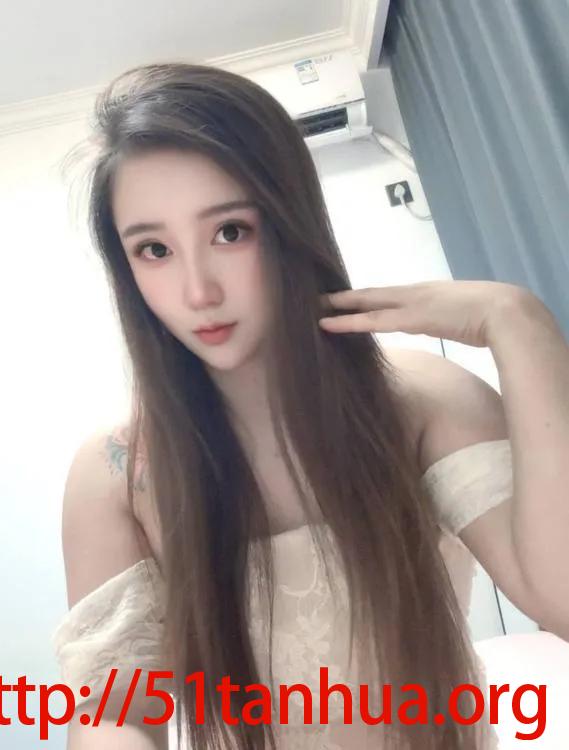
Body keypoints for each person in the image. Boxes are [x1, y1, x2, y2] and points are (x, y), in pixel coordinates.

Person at [52, 62, 569, 750]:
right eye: (154, 250)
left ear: (288, 220)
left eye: (230, 232)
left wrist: (518, 322)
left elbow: (559, 597)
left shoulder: (420, 403)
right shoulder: (117, 473)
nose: (198, 291)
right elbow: (113, 710)